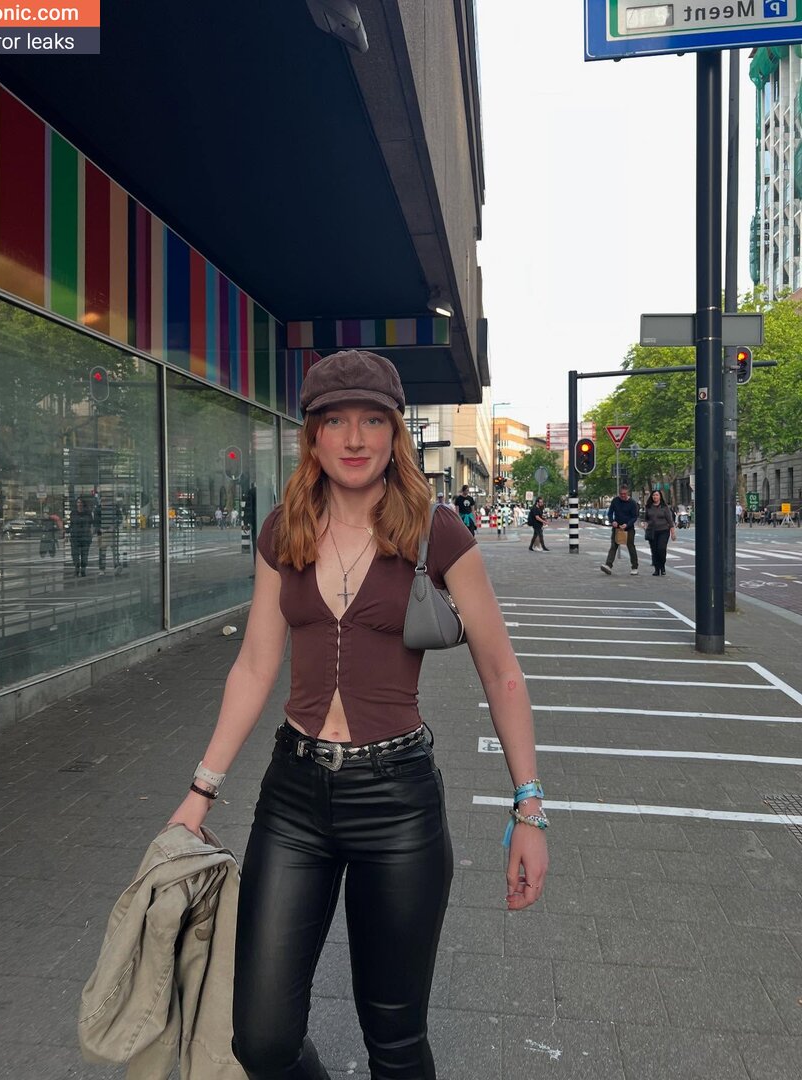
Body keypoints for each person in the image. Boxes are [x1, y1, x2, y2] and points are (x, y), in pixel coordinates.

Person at [167, 349, 548, 1080]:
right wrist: (201, 790)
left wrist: (529, 808)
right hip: (294, 797)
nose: (353, 438)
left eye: (372, 420)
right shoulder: (284, 532)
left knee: (395, 1042)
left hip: (398, 801)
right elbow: (254, 665)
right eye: (335, 421)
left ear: (394, 434)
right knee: (261, 1040)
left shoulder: (437, 533)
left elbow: (501, 671)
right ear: (312, 437)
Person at [599, 484, 640, 575]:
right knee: (614, 545)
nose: (623, 496)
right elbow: (610, 512)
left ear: (627, 493)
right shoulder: (615, 501)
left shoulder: (632, 503)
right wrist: (612, 521)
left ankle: (634, 567)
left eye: (624, 494)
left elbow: (634, 516)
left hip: (628, 528)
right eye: (621, 494)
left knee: (631, 546)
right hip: (617, 527)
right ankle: (608, 565)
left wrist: (627, 524)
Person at [643, 489, 676, 576]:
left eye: (657, 495)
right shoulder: (649, 507)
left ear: (660, 497)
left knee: (661, 549)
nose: (655, 497)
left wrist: (673, 533)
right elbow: (646, 519)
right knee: (654, 551)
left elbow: (670, 521)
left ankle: (662, 566)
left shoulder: (664, 507)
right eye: (654, 495)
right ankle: (657, 569)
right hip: (652, 531)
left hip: (663, 531)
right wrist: (645, 526)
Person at [69, 496, 94, 577]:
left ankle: (83, 570)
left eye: (81, 502)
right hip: (75, 536)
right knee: (75, 554)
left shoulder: (88, 513)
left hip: (85, 536)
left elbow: (91, 525)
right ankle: (76, 569)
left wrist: (91, 534)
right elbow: (71, 524)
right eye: (78, 502)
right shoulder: (73, 513)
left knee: (84, 554)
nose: (79, 504)